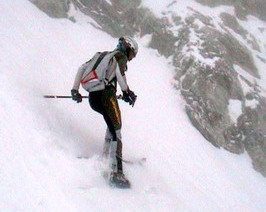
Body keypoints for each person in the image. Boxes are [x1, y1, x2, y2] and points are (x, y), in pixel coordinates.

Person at [71, 36, 138, 188]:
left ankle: (107, 156)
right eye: (132, 55)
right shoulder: (119, 57)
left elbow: (81, 68)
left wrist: (75, 90)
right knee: (117, 130)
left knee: (111, 124)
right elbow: (120, 75)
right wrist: (127, 92)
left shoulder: (102, 55)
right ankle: (116, 172)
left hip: (93, 98)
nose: (131, 59)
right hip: (106, 96)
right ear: (128, 49)